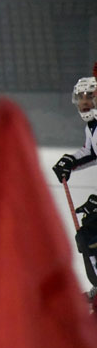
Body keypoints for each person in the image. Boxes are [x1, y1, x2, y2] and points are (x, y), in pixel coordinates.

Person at [52, 73, 97, 314]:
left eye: (89, 97)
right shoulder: (93, 126)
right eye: (80, 98)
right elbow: (91, 152)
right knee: (89, 235)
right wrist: (70, 162)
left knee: (90, 235)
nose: (84, 103)